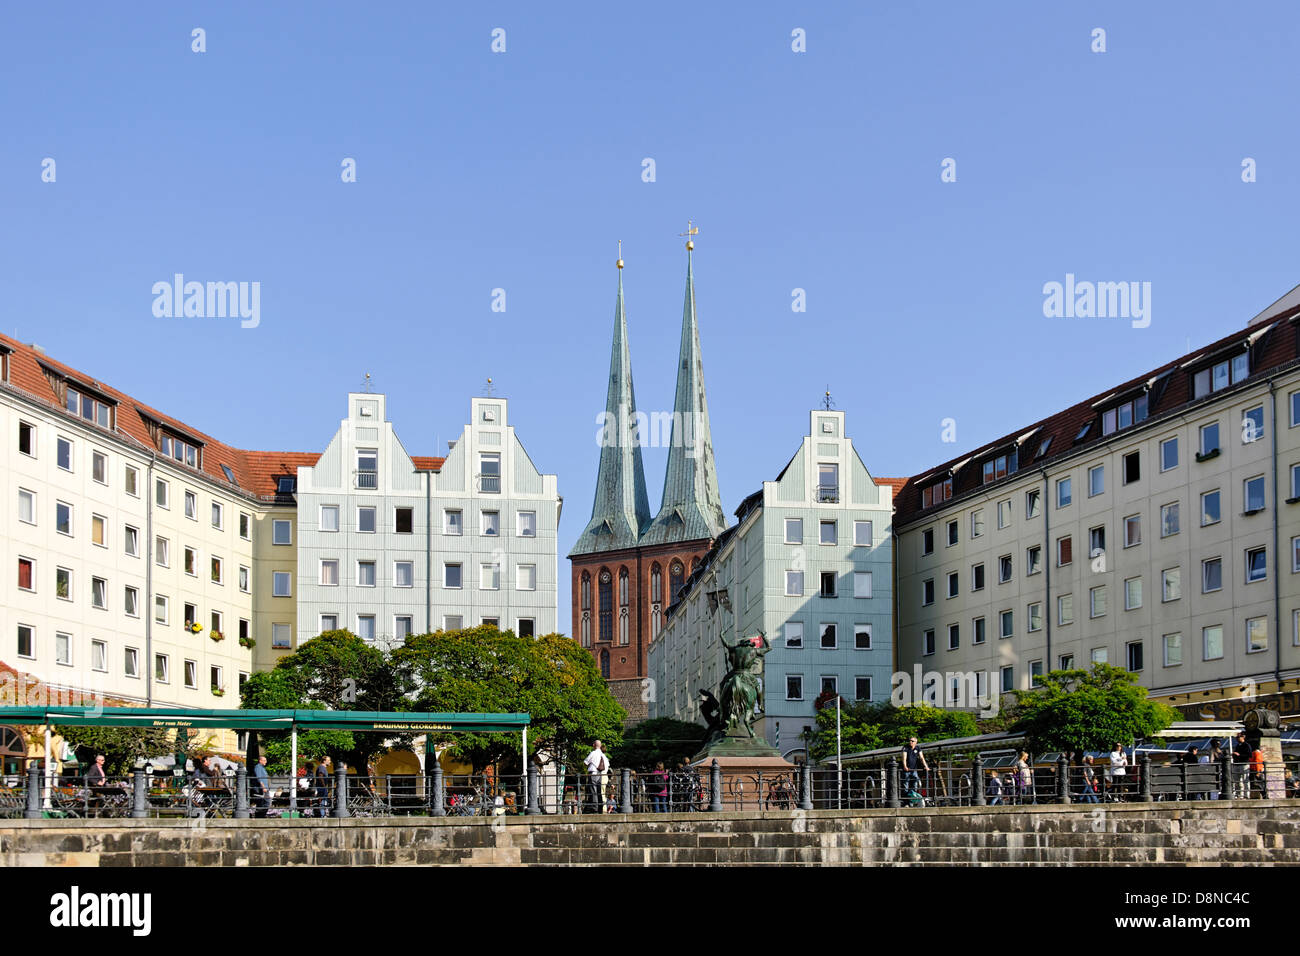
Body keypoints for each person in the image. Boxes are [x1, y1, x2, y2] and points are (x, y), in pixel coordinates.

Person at [582, 741, 608, 814]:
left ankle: (594, 808)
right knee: (599, 790)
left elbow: (585, 762)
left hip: (593, 773)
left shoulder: (593, 753)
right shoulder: (602, 755)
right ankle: (600, 807)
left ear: (594, 745)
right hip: (600, 774)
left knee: (593, 790)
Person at [1232, 732, 1252, 798]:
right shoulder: (1238, 745)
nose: (1237, 739)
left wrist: (1239, 755)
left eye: (1238, 737)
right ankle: (1239, 795)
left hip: (1244, 764)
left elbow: (1249, 755)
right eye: (1236, 737)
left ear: (1243, 737)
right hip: (1237, 764)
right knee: (1237, 781)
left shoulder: (1247, 745)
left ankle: (1247, 795)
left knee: (1245, 780)